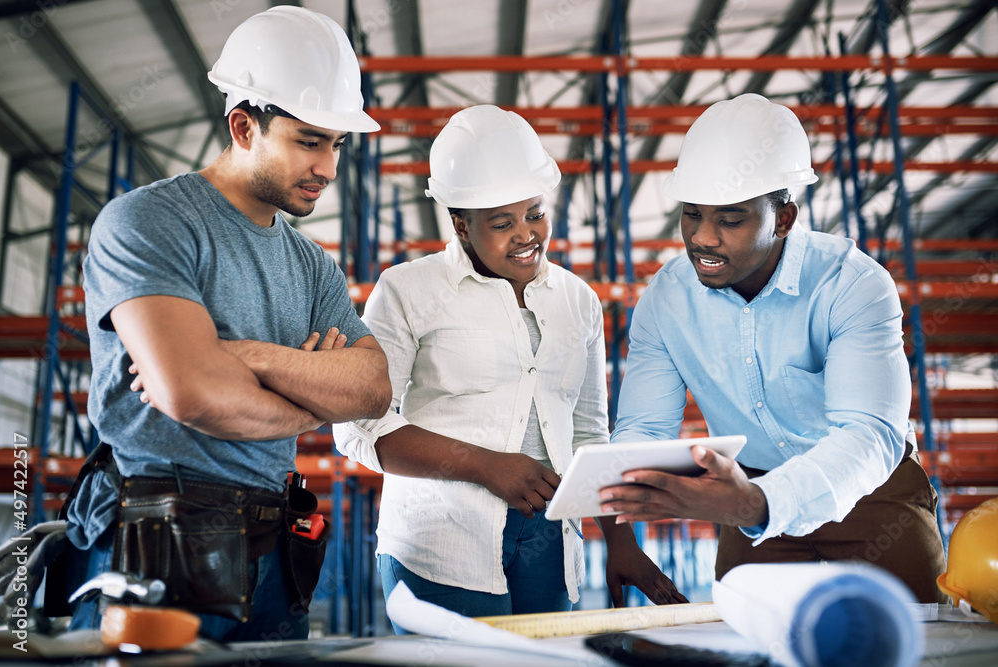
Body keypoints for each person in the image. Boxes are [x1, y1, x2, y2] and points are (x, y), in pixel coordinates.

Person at [62, 6, 391, 641]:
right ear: (244, 126)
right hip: (156, 538)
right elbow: (194, 393)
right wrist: (311, 397)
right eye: (308, 140)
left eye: (337, 144)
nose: (328, 167)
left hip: (274, 547)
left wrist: (253, 358)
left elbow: (373, 390)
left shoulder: (313, 267)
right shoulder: (148, 223)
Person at [333, 105, 684, 631]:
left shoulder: (578, 300)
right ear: (461, 226)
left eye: (535, 213)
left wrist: (620, 540)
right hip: (442, 539)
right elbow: (360, 426)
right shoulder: (409, 290)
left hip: (549, 539)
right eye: (502, 223)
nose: (526, 235)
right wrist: (486, 466)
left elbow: (589, 431)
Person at [599, 93, 947, 603]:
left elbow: (869, 432)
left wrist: (759, 502)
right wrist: (620, 537)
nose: (702, 238)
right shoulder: (666, 300)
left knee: (916, 641)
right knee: (748, 645)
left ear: (784, 217)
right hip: (747, 495)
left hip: (872, 494)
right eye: (691, 215)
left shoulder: (851, 283)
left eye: (730, 219)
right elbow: (642, 431)